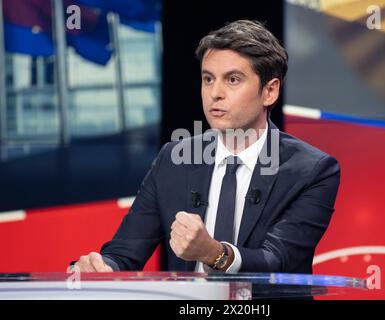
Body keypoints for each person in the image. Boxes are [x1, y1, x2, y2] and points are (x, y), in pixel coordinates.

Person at [71, 20, 340, 273]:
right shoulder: (174, 160)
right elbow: (124, 253)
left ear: (269, 91)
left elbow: (278, 259)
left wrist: (213, 253)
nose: (215, 93)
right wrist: (103, 267)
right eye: (208, 79)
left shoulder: (312, 170)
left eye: (232, 80)